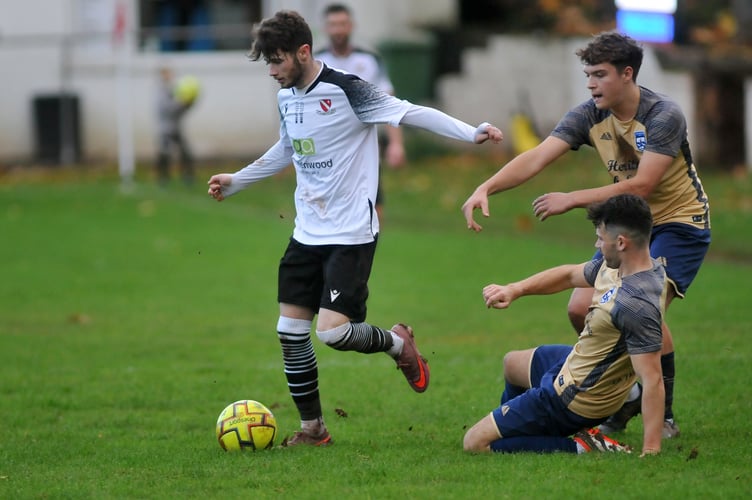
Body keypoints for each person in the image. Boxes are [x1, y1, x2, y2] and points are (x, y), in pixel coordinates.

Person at [207, 10, 502, 447]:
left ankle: (398, 345)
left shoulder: (348, 90)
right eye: (267, 62)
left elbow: (409, 112)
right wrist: (237, 182)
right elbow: (286, 149)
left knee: (332, 333)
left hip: (351, 232)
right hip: (306, 231)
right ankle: (313, 430)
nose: (271, 71)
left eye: (277, 60)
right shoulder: (287, 95)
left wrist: (470, 131)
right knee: (289, 333)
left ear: (303, 52)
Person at [461, 31, 711, 439]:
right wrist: (486, 187)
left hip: (680, 224)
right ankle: (626, 391)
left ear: (627, 74)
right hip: (629, 227)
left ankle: (662, 415)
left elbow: (643, 185)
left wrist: (572, 198)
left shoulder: (663, 114)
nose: (591, 83)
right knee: (580, 309)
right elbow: (539, 155)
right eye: (588, 74)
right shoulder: (591, 113)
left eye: (599, 74)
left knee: (645, 305)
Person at [463, 194, 665, 457]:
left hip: (577, 398)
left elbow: (652, 380)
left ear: (621, 242)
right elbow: (570, 275)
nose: (597, 244)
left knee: (475, 443)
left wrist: (651, 450)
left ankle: (582, 446)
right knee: (511, 363)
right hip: (576, 365)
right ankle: (521, 429)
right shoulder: (624, 266)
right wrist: (515, 289)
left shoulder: (635, 304)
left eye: (600, 238)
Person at [315, 3, 406, 222]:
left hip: (365, 145)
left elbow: (388, 103)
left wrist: (396, 143)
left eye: (343, 24)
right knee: (328, 208)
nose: (338, 30)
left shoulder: (368, 60)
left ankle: (367, 252)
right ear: (325, 28)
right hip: (328, 149)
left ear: (352, 26)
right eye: (333, 25)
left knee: (374, 207)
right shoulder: (314, 62)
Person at [155, 67, 195, 186]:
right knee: (164, 153)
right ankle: (163, 178)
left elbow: (180, 110)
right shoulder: (160, 91)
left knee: (185, 153)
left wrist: (189, 104)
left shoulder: (175, 89)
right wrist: (181, 103)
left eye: (170, 74)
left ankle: (187, 176)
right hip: (165, 129)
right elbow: (167, 109)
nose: (169, 77)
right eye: (166, 74)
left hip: (175, 127)